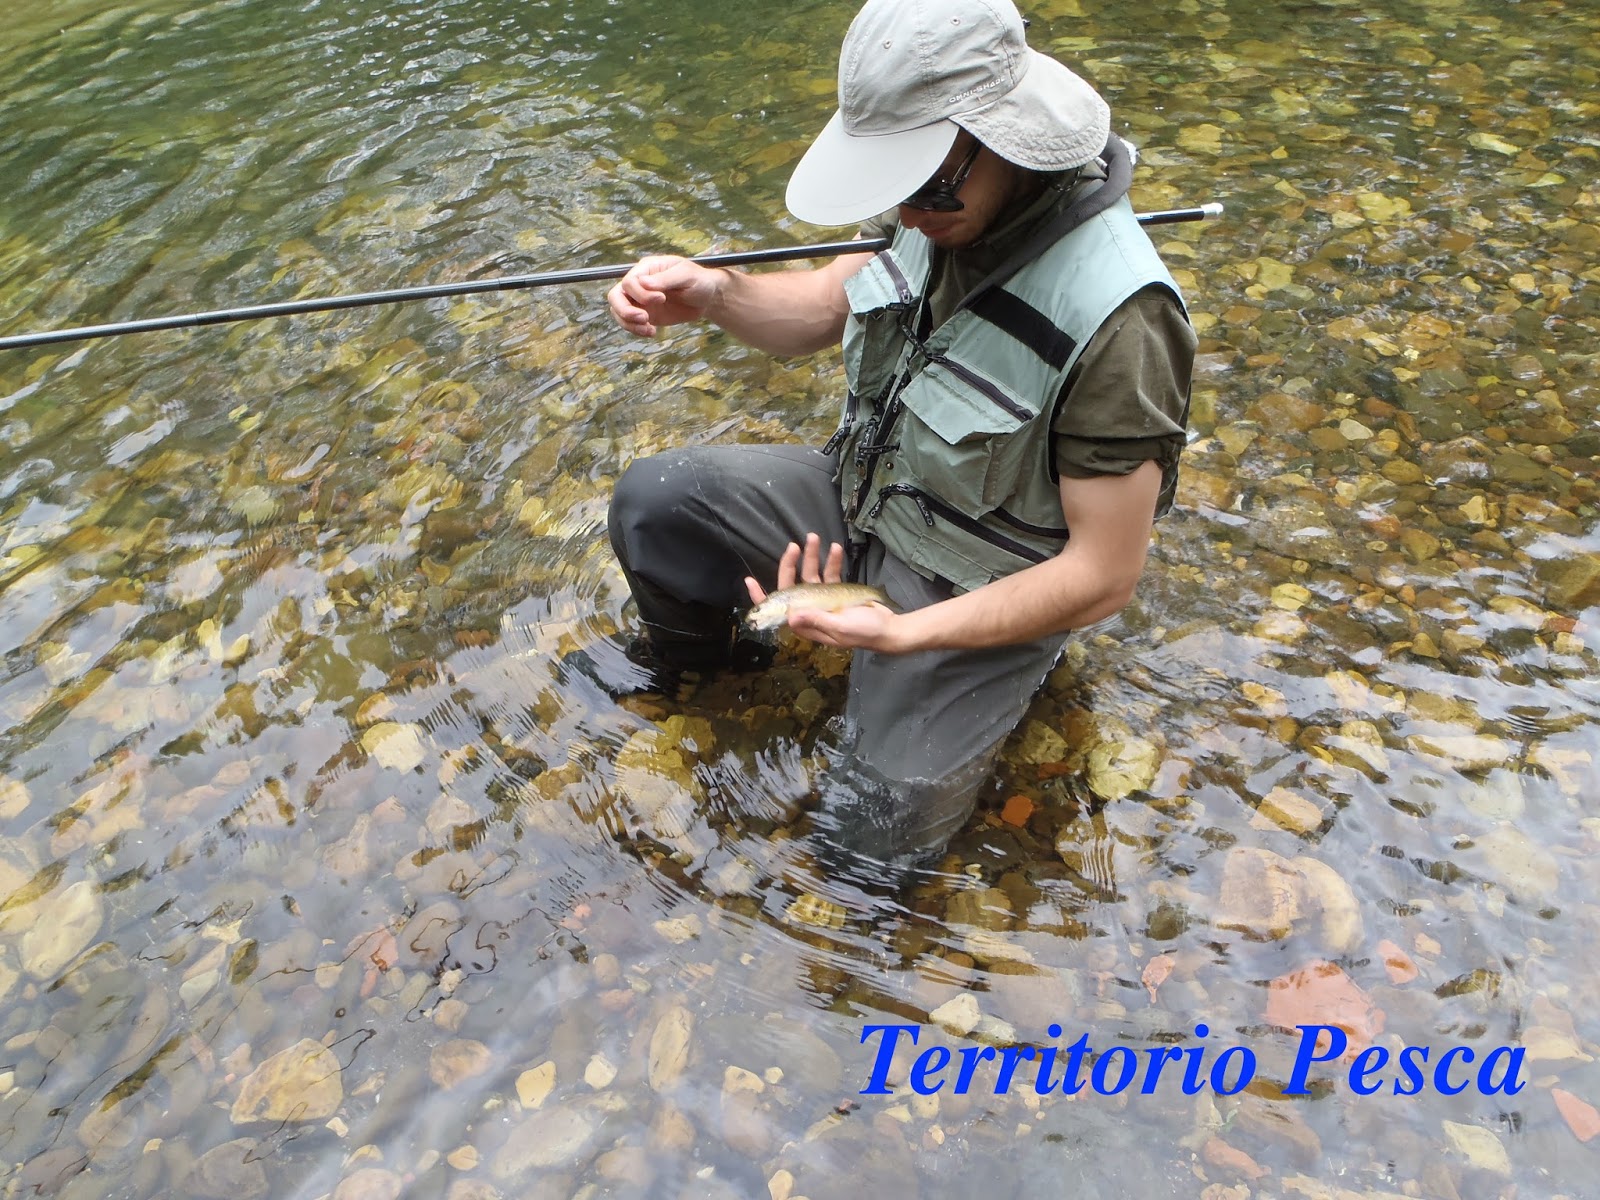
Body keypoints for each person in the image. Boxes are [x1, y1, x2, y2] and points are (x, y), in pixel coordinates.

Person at [601, 0, 1195, 872]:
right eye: (894, 185)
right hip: (865, 506)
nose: (910, 212)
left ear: (1005, 139)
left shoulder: (1124, 322)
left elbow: (1105, 577)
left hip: (975, 589)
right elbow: (814, 310)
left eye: (927, 184)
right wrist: (717, 295)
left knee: (869, 839)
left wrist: (903, 633)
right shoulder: (933, 208)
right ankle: (700, 688)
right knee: (657, 503)